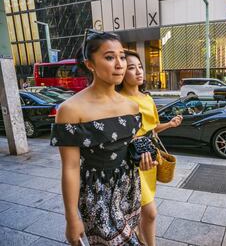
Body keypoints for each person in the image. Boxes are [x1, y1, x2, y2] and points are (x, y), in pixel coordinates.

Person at [51, 30, 156, 246]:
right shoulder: (70, 109)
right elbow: (70, 168)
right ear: (90, 64)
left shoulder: (131, 105)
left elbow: (130, 146)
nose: (119, 64)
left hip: (129, 187)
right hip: (96, 193)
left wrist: (143, 158)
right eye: (109, 57)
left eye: (122, 57)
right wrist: (71, 218)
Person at [118, 50, 182, 246]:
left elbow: (152, 130)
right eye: (131, 68)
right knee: (151, 212)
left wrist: (169, 124)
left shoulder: (147, 98)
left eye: (140, 67)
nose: (138, 71)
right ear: (121, 72)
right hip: (130, 161)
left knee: (144, 211)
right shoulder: (117, 99)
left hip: (148, 159)